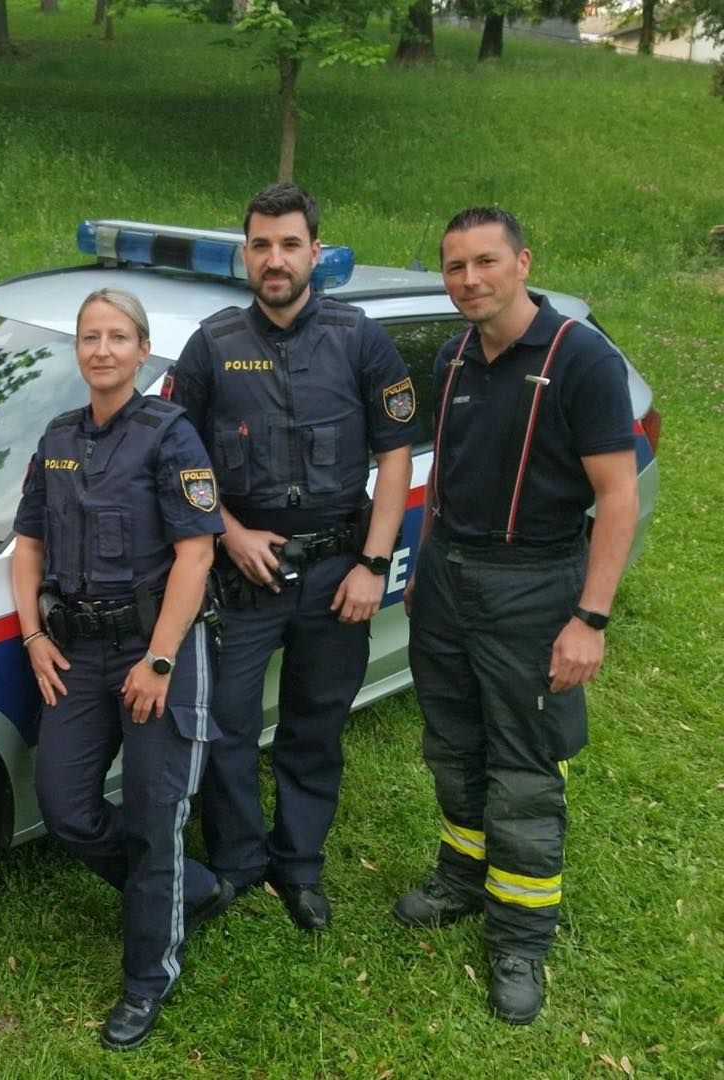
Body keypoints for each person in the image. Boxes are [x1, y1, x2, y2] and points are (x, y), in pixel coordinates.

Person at [394, 208, 638, 1025]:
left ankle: (521, 937)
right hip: (449, 583)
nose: (469, 279)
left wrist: (589, 620)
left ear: (522, 261)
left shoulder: (582, 361)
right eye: (455, 265)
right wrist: (425, 571)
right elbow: (447, 476)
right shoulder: (456, 353)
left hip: (534, 589)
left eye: (486, 262)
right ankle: (463, 878)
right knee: (454, 747)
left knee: (525, 771)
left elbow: (617, 496)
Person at [167, 182, 419, 932]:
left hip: (338, 571)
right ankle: (241, 862)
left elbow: (397, 454)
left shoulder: (359, 338)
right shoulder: (212, 344)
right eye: (260, 245)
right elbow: (180, 462)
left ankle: (301, 865)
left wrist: (374, 565)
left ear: (316, 251)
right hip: (241, 575)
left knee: (316, 722)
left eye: (288, 244)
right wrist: (230, 535)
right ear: (245, 253)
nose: (274, 260)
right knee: (230, 725)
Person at [12, 289, 233, 1051]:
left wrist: (162, 659)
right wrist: (34, 635)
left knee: (152, 816)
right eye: (88, 337)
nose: (101, 350)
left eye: (116, 338)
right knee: (64, 804)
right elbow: (30, 546)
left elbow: (196, 553)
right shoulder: (57, 437)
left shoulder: (171, 437)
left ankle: (148, 977)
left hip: (155, 649)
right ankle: (187, 890)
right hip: (76, 649)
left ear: (142, 352)